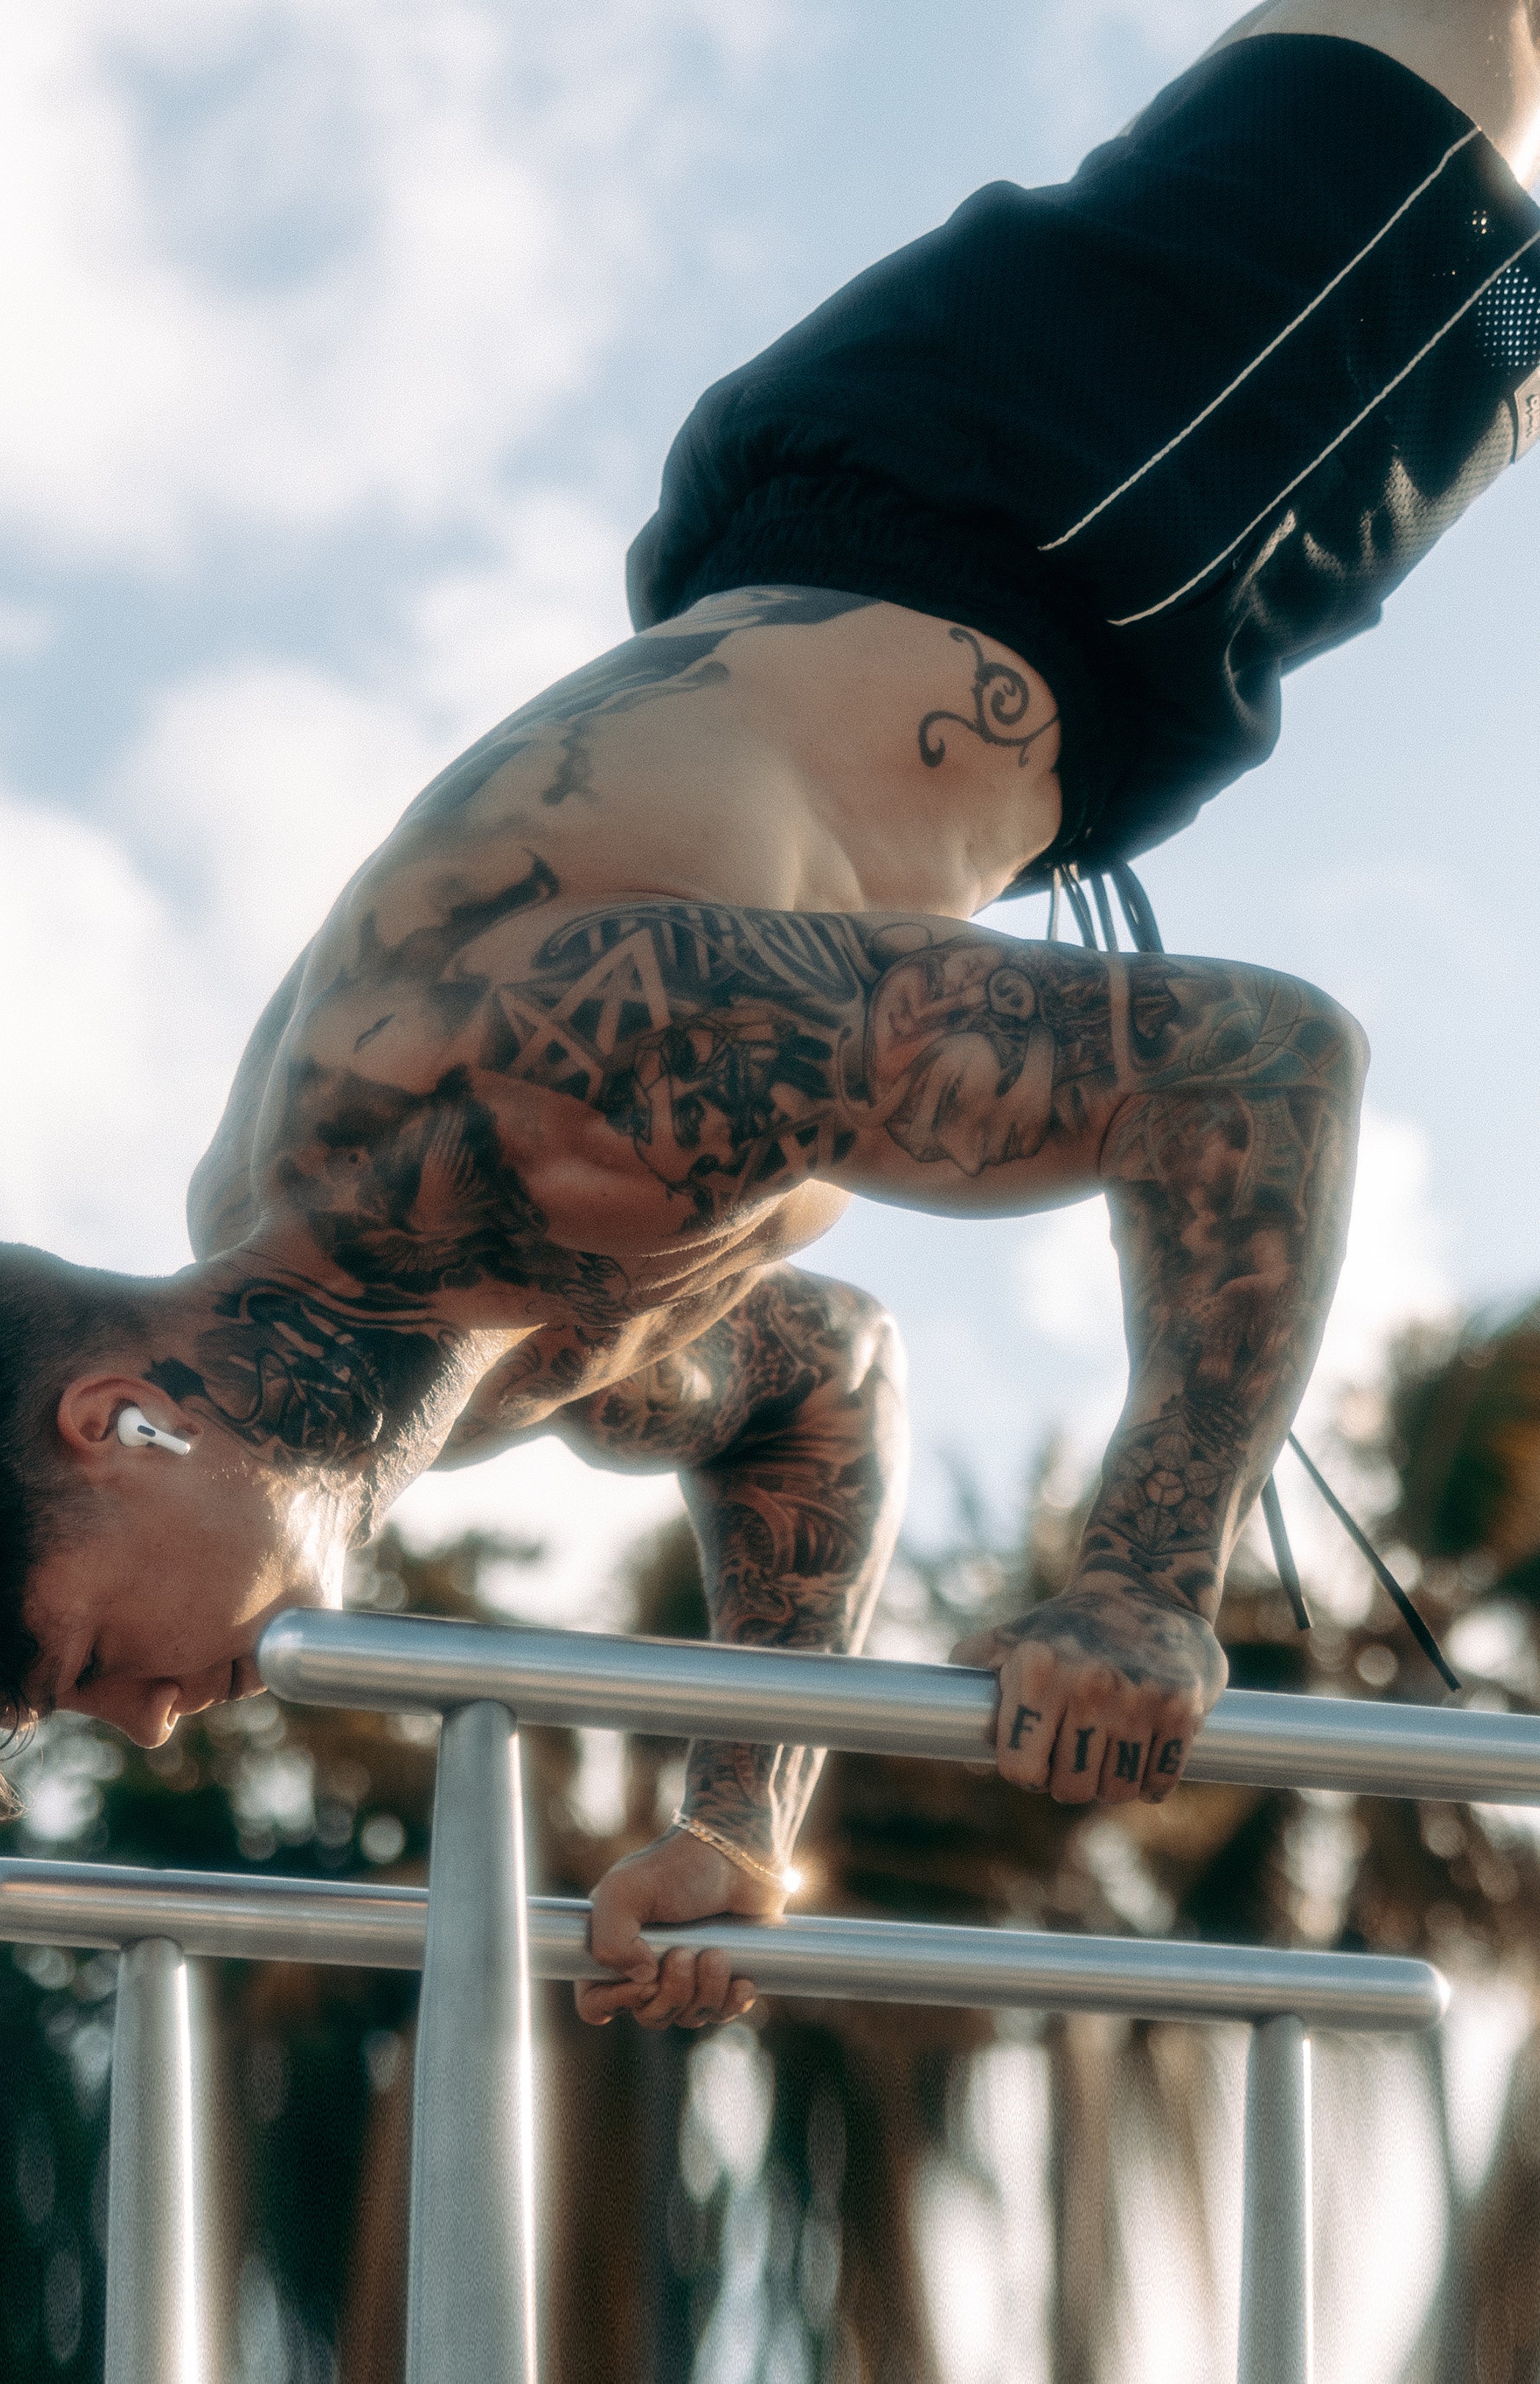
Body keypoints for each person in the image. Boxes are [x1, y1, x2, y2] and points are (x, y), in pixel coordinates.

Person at [1, 0, 1535, 2033]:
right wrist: (747, 1814)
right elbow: (821, 1374)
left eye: (67, 1667)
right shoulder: (452, 1353)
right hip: (944, 583)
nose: (151, 1721)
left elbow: (1253, 1069)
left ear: (115, 1425)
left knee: (1452, 74)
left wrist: (1143, 1580)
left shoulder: (511, 1091)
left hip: (1037, 488)